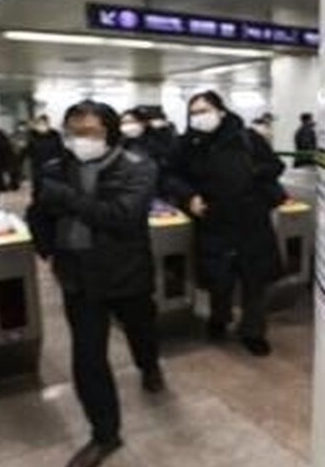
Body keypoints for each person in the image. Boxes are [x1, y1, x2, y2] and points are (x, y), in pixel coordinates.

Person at [27, 100, 164, 467]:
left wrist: (68, 199)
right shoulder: (54, 167)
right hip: (77, 276)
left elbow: (122, 216)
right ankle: (105, 434)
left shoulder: (138, 166)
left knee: (141, 329)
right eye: (73, 132)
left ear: (110, 133)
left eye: (90, 132)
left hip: (125, 271)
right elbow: (37, 213)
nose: (80, 139)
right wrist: (47, 250)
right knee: (87, 357)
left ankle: (149, 365)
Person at [169, 91, 285, 357]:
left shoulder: (248, 138)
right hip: (213, 219)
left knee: (254, 280)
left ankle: (253, 331)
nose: (199, 117)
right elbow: (171, 175)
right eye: (193, 113)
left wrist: (251, 173)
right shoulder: (187, 144)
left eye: (204, 110)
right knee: (218, 278)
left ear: (221, 111)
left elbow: (275, 166)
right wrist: (189, 196)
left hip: (250, 219)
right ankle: (219, 318)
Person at [21, 114, 65, 197]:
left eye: (44, 123)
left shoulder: (55, 135)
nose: (42, 126)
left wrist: (61, 162)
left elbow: (61, 150)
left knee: (54, 189)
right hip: (38, 167)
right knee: (39, 189)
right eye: (39, 123)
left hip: (54, 167)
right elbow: (24, 152)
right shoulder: (32, 136)